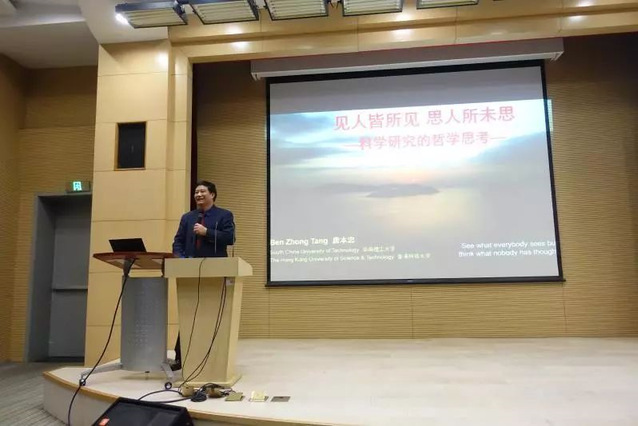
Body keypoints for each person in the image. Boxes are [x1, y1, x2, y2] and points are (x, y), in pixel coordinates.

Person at [170, 180, 235, 370]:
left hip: (215, 270)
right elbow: (178, 242)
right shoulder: (187, 217)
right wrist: (181, 258)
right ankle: (181, 357)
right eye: (196, 192)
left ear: (212, 194)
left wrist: (207, 232)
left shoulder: (224, 215)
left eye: (202, 191)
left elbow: (230, 238)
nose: (198, 195)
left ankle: (215, 357)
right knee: (189, 313)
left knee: (214, 314)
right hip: (189, 270)